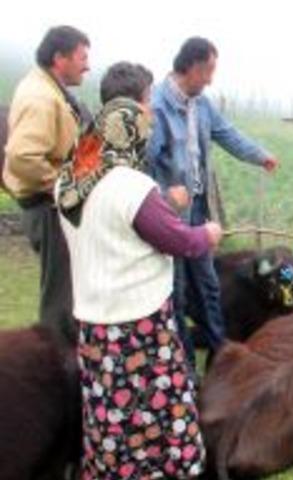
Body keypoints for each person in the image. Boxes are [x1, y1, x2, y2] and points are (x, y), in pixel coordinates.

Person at [55, 62, 220, 479]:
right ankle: (171, 468)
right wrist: (208, 234)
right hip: (138, 323)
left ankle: (115, 470)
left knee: (111, 409)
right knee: (159, 404)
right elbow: (180, 242)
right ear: (129, 123)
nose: (150, 117)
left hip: (94, 320)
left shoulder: (74, 178)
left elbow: (114, 226)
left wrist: (166, 205)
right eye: (145, 109)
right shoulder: (132, 186)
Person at [146, 36, 278, 364]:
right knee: (174, 293)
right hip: (169, 218)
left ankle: (222, 357)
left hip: (198, 214)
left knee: (208, 286)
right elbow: (143, 165)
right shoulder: (157, 106)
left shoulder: (201, 105)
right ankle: (185, 367)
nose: (210, 79)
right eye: (207, 70)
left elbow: (227, 133)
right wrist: (163, 197)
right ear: (190, 67)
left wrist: (259, 155)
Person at [2, 25, 91, 344]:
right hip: (48, 208)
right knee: (60, 301)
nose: (88, 65)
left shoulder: (50, 89)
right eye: (82, 57)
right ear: (60, 58)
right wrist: (65, 186)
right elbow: (22, 156)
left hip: (51, 206)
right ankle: (55, 367)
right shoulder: (41, 97)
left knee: (67, 293)